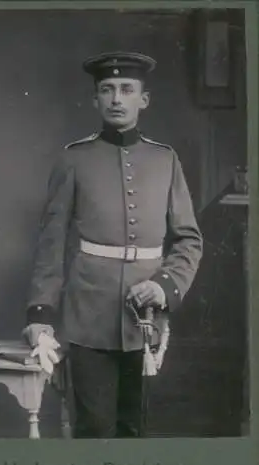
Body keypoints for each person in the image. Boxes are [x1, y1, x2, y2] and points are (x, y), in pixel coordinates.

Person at [23, 52, 203, 439]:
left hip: (148, 320)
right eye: (107, 90)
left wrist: (165, 286)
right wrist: (40, 312)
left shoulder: (165, 160)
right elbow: (51, 243)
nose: (117, 99)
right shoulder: (74, 160)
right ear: (96, 100)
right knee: (95, 430)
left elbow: (189, 239)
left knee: (135, 429)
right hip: (89, 317)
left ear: (144, 99)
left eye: (126, 89)